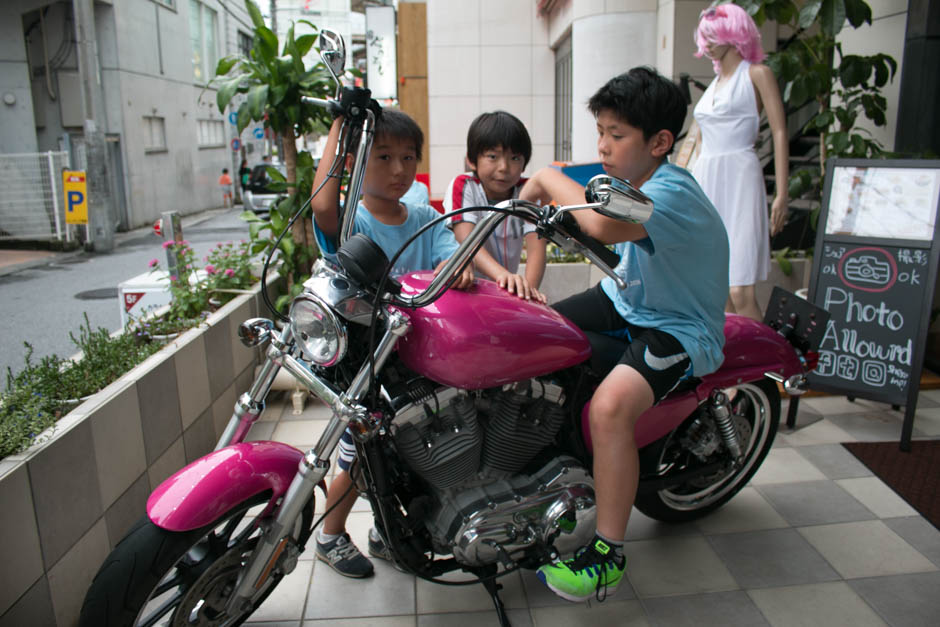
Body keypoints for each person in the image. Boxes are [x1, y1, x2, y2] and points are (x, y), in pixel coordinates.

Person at [518, 67, 729, 602]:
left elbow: (605, 225)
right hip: (628, 300)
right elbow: (593, 221)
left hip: (678, 327)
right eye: (601, 132)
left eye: (617, 135)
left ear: (659, 142)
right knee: (535, 337)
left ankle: (607, 554)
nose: (604, 146)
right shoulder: (636, 178)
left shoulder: (670, 190)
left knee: (609, 408)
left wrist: (544, 176)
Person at [310, 108, 474, 578]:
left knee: (407, 448)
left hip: (418, 357)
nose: (400, 169)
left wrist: (457, 268)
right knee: (359, 454)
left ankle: (387, 529)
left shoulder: (423, 216)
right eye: (384, 157)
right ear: (362, 163)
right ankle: (330, 535)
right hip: (367, 363)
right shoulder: (353, 223)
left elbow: (451, 255)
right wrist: (342, 127)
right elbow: (322, 206)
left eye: (408, 157)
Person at [691, 3, 788, 321]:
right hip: (706, 177)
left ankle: (769, 365)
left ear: (734, 33)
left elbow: (779, 131)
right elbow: (698, 141)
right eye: (705, 36)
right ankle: (739, 364)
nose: (708, 43)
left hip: (740, 176)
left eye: (713, 34)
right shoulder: (714, 86)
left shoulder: (757, 74)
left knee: (740, 291)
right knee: (715, 289)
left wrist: (782, 194)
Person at [444, 111, 547, 302]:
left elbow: (536, 246)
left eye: (515, 158)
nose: (504, 167)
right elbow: (466, 241)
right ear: (471, 160)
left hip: (506, 292)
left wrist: (529, 293)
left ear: (525, 163)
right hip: (465, 288)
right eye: (492, 156)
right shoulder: (463, 186)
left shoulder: (527, 191)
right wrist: (503, 276)